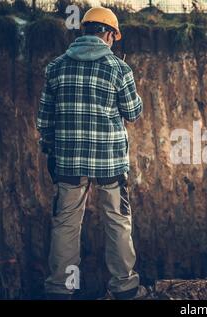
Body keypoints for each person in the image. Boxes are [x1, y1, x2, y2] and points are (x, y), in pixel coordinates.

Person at [37, 7, 145, 300]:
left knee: (67, 223)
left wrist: (49, 147)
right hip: (109, 161)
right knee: (117, 220)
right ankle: (124, 287)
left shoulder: (56, 67)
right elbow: (133, 112)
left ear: (83, 31)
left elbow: (45, 119)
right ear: (109, 34)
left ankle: (61, 288)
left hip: (68, 161)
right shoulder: (119, 68)